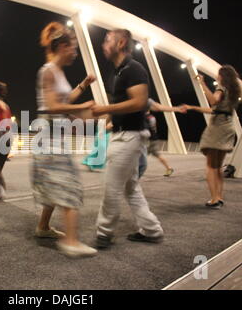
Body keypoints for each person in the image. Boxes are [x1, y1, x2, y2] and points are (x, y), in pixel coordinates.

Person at [91, 29, 164, 249]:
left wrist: (105, 108)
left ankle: (104, 233)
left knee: (111, 187)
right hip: (123, 134)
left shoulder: (134, 68)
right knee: (131, 189)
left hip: (129, 137)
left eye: (107, 40)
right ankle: (152, 230)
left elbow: (140, 102)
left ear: (121, 42)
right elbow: (120, 108)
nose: (103, 44)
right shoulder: (117, 73)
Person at [32, 21, 97, 257]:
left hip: (54, 136)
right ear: (61, 46)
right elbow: (51, 106)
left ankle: (43, 227)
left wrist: (83, 86)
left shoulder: (57, 72)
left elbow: (64, 100)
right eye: (73, 48)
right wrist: (81, 108)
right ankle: (71, 242)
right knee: (69, 183)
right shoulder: (48, 71)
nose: (75, 53)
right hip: (48, 136)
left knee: (55, 182)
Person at [183, 66, 242, 209]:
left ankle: (214, 199)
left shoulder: (221, 88)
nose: (217, 76)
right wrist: (193, 107)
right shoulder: (233, 92)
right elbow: (215, 110)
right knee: (218, 167)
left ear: (223, 76)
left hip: (217, 128)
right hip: (228, 127)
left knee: (210, 166)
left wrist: (202, 84)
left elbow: (213, 101)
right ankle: (219, 197)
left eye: (218, 74)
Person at [138, 99, 187, 178]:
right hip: (153, 139)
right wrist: (177, 109)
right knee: (156, 155)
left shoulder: (145, 117)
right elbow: (159, 108)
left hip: (148, 140)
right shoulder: (152, 117)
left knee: (139, 157)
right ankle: (169, 168)